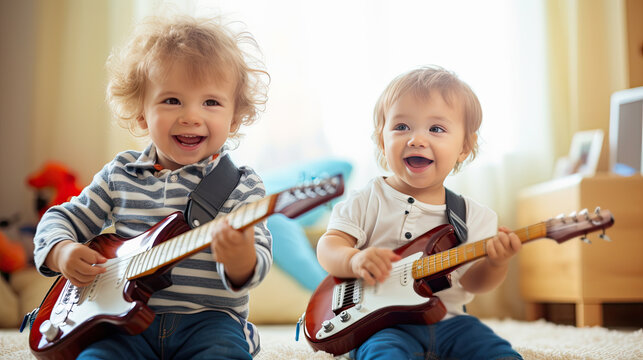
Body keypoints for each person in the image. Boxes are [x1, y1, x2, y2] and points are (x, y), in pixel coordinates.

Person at [33, 15, 271, 359]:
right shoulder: (121, 174)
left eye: (211, 102)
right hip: (121, 326)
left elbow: (256, 263)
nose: (191, 116)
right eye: (172, 100)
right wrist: (61, 251)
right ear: (141, 114)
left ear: (234, 118)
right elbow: (62, 218)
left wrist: (241, 259)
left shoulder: (242, 186)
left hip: (211, 321)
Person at [316, 66, 523, 359]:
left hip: (450, 322)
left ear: (465, 146)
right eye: (401, 127)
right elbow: (329, 246)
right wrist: (354, 259)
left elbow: (473, 282)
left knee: (497, 352)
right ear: (381, 139)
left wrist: (497, 263)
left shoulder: (475, 216)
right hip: (380, 325)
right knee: (383, 354)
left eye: (436, 129)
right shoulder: (368, 199)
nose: (416, 139)